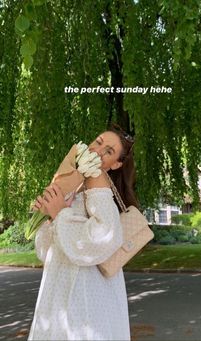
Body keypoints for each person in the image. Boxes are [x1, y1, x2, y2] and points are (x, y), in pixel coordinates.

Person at [28, 124, 138, 340]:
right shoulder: (72, 182)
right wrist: (45, 217)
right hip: (58, 286)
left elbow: (104, 237)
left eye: (109, 151)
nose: (98, 151)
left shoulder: (99, 185)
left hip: (88, 290)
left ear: (116, 164)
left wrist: (60, 214)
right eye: (98, 142)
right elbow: (46, 252)